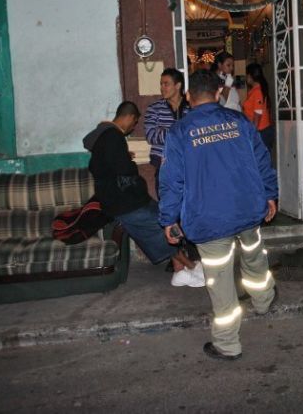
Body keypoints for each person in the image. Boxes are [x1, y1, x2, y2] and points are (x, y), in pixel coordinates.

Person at [158, 69, 278, 361]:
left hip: (209, 219)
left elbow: (171, 181)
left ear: (188, 97)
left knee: (221, 281)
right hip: (248, 208)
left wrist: (168, 219)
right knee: (253, 255)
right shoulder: (239, 121)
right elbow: (262, 159)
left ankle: (227, 344)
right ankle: (264, 300)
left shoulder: (180, 132)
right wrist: (270, 195)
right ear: (217, 94)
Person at [83, 101, 203, 286]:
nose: (133, 127)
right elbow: (124, 169)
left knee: (163, 219)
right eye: (134, 122)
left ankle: (180, 271)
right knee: (161, 226)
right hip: (125, 203)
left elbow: (105, 165)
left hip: (121, 200)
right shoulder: (113, 136)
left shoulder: (102, 136)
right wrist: (129, 162)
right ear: (129, 117)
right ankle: (191, 266)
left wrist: (124, 157)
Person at [144, 68, 198, 287]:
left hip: (190, 167)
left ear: (178, 86)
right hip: (164, 167)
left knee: (190, 209)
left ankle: (191, 254)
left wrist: (172, 131)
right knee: (170, 211)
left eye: (166, 83)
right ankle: (177, 257)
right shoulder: (154, 108)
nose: (162, 88)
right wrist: (178, 131)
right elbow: (151, 136)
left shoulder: (191, 108)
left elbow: (196, 134)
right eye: (161, 84)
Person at [243, 62, 275, 151]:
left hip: (261, 131)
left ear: (250, 76)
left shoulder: (257, 91)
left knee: (261, 161)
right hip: (260, 131)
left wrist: (253, 134)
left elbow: (258, 114)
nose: (246, 78)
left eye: (246, 75)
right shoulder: (255, 90)